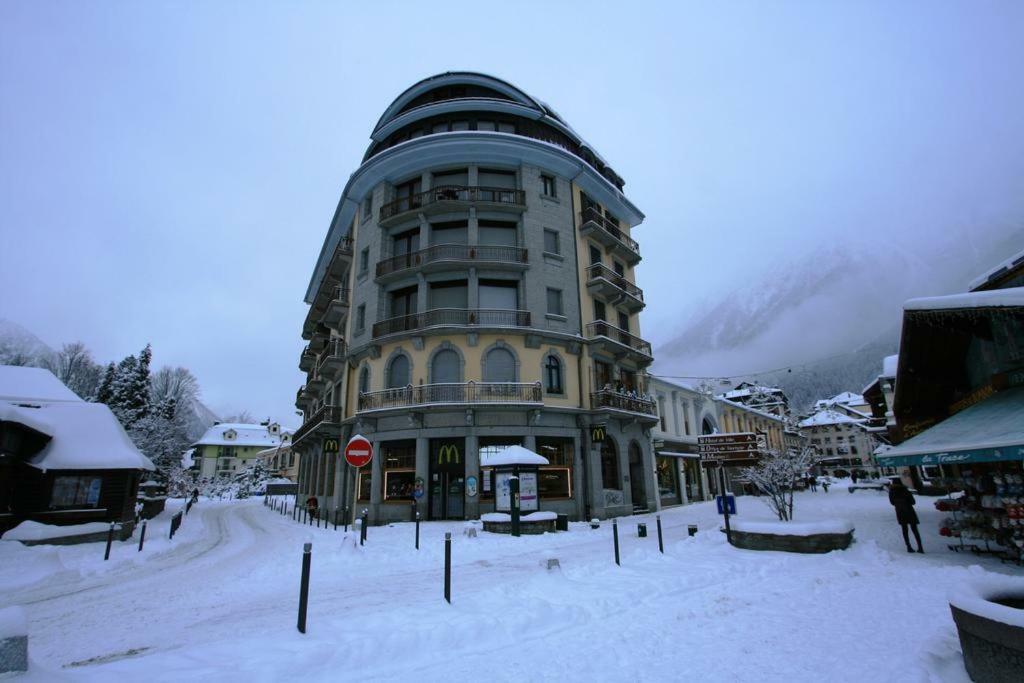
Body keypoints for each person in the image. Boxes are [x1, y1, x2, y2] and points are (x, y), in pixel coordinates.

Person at [889, 481, 923, 553]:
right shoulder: (905, 490)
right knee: (915, 529)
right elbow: (913, 502)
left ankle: (908, 547)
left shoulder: (891, 492)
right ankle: (920, 547)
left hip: (900, 512)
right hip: (909, 510)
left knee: (904, 530)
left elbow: (892, 502)